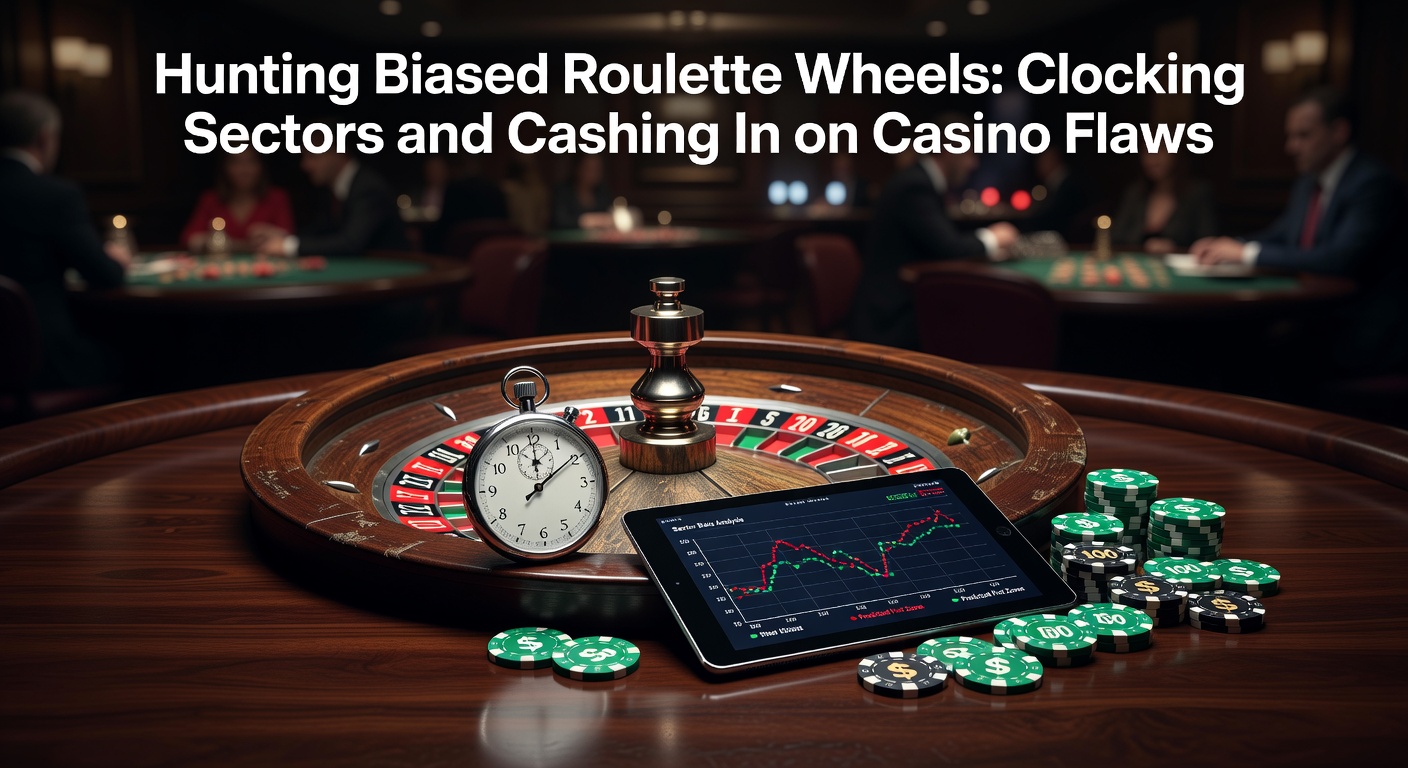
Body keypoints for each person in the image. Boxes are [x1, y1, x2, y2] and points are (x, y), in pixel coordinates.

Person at [849, 114, 1019, 349]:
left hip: (903, 306)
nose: (974, 163)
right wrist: (993, 236)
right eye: (970, 153)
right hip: (890, 319)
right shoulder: (914, 186)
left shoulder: (920, 181)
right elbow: (949, 248)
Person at [1191, 88, 1398, 276]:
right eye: (1290, 136)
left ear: (1339, 132)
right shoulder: (1307, 182)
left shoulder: (1371, 183)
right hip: (1311, 302)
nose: (1291, 147)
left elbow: (1338, 259)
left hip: (1356, 312)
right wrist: (1229, 246)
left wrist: (1246, 253)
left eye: (1303, 135)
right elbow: (1281, 235)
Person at [0, 90, 128, 388]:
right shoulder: (56, 196)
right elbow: (105, 276)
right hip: (42, 362)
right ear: (45, 138)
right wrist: (114, 259)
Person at [252, 151, 407, 256]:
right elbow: (324, 232)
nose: (305, 165)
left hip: (393, 294)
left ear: (338, 153)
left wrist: (288, 246)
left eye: (312, 156)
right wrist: (286, 236)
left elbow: (350, 243)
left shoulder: (368, 188)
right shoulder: (333, 189)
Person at [180, 149, 294, 252]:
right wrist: (216, 241)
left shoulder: (277, 197)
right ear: (224, 167)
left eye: (251, 162)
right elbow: (189, 239)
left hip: (268, 269)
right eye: (235, 162)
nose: (244, 170)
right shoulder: (210, 199)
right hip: (220, 269)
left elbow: (291, 241)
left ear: (261, 166)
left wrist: (274, 234)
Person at [1110, 150, 1217, 254]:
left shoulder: (1198, 192)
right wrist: (1145, 245)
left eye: (1160, 150)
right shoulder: (1135, 193)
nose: (1152, 159)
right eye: (1147, 152)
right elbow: (1116, 236)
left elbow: (1207, 242)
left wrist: (1173, 247)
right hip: (1135, 262)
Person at [1018, 146, 1093, 241]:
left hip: (1067, 239)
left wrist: (1022, 226)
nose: (1038, 166)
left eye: (1041, 161)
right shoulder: (1061, 182)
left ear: (1052, 159)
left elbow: (1052, 218)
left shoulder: (1069, 185)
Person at [550, 155, 612, 230]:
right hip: (567, 240)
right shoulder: (562, 191)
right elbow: (558, 221)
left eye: (596, 169)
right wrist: (586, 221)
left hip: (597, 240)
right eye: (588, 169)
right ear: (578, 168)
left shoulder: (602, 192)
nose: (593, 174)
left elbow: (609, 218)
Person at [502, 153, 551, 235]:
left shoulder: (539, 190)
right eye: (524, 168)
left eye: (530, 167)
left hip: (536, 236)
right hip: (511, 236)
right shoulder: (508, 189)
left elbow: (543, 217)